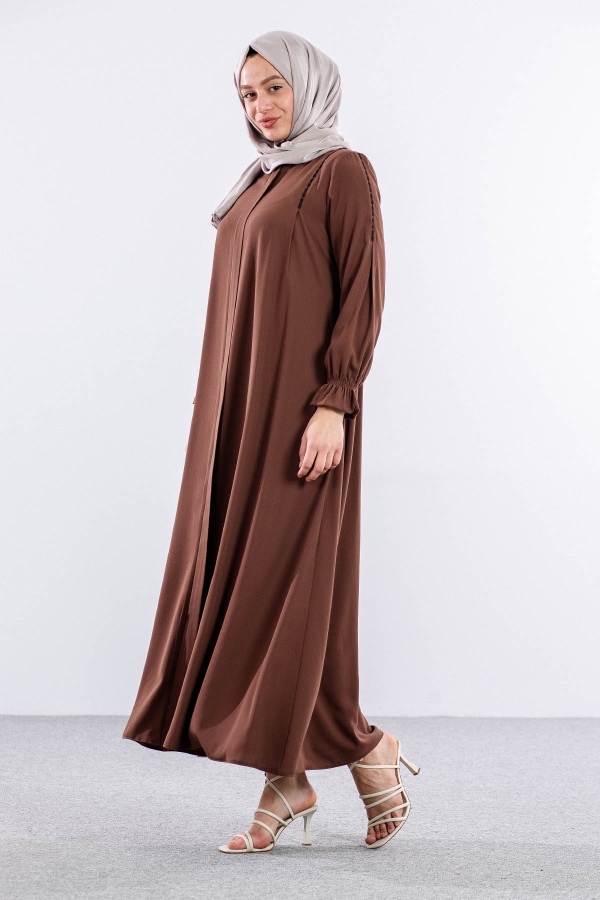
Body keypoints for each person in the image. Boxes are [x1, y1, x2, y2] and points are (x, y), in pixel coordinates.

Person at [122, 29, 420, 853]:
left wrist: (335, 402)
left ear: (310, 85)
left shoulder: (342, 172)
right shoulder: (260, 179)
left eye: (274, 88)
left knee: (289, 593)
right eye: (248, 94)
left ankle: (356, 746)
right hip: (235, 417)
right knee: (240, 584)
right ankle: (293, 776)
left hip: (303, 418)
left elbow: (363, 293)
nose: (260, 106)